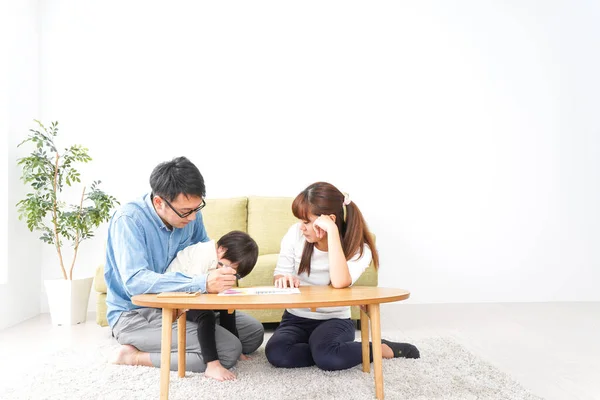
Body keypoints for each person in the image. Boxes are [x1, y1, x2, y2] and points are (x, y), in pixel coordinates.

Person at [105, 156, 264, 374]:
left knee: (254, 333)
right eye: (186, 211)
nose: (193, 217)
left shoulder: (191, 216)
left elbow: (202, 255)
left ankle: (181, 340)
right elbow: (135, 282)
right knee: (228, 351)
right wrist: (202, 282)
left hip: (182, 304)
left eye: (197, 208)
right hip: (137, 312)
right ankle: (132, 356)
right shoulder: (129, 220)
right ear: (159, 202)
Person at [265, 182, 420, 371]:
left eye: (306, 222)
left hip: (335, 320)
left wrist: (332, 233)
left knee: (329, 358)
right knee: (277, 353)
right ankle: (332, 350)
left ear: (329, 219)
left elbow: (340, 282)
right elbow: (280, 272)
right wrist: (282, 278)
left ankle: (377, 348)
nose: (301, 227)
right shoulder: (294, 235)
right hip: (295, 317)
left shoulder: (360, 249)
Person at [166, 230, 259, 381]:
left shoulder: (217, 259)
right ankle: (212, 364)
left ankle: (238, 348)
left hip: (190, 295)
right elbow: (195, 286)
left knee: (228, 307)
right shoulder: (203, 253)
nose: (226, 272)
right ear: (221, 250)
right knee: (206, 314)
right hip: (174, 296)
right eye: (224, 266)